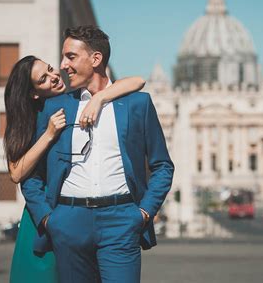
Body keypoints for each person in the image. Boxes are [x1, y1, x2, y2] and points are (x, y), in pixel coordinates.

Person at [21, 25, 174, 283]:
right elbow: (32, 173)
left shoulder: (138, 104)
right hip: (68, 222)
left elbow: (162, 166)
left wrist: (144, 213)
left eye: (71, 56)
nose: (62, 65)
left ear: (95, 59)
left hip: (122, 220)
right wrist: (48, 219)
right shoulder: (54, 107)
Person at [3, 55, 146, 283]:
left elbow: (137, 81)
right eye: (43, 79)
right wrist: (49, 134)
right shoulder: (31, 119)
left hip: (78, 219)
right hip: (46, 217)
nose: (54, 77)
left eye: (51, 70)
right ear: (34, 93)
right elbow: (17, 173)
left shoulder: (77, 96)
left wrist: (99, 99)